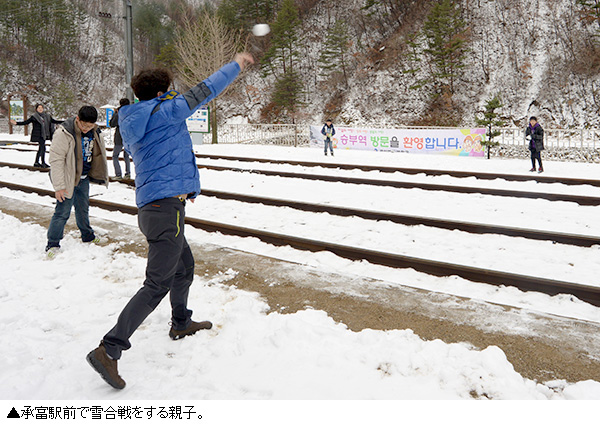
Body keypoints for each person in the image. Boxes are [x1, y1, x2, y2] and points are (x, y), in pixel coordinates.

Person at [86, 52, 255, 390]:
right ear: (163, 92)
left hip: (153, 209)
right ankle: (110, 348)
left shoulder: (132, 118)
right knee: (156, 284)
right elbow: (206, 89)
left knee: (184, 267)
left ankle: (180, 322)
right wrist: (237, 63)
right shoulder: (167, 111)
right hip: (166, 210)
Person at [45, 106, 109, 258]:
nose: (87, 129)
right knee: (62, 212)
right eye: (84, 125)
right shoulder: (64, 133)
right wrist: (59, 186)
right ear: (77, 119)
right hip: (68, 179)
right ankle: (52, 243)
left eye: (90, 126)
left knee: (83, 209)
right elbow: (56, 160)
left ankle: (87, 235)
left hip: (84, 177)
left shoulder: (94, 132)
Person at [10, 103, 63, 168]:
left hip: (45, 134)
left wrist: (64, 122)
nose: (40, 109)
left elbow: (54, 121)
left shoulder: (47, 116)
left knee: (41, 148)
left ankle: (36, 162)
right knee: (43, 148)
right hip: (39, 135)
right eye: (39, 108)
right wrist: (16, 123)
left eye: (41, 108)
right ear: (36, 109)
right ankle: (43, 163)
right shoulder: (34, 117)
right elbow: (26, 122)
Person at [109, 98, 132, 180]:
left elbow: (112, 124)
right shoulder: (132, 112)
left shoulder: (118, 113)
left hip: (119, 137)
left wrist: (115, 114)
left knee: (115, 156)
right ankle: (128, 174)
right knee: (126, 156)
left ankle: (118, 174)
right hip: (128, 137)